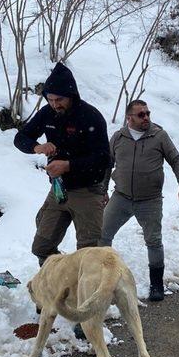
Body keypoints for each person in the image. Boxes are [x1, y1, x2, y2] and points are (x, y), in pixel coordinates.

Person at [14, 62, 110, 266]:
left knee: (89, 254)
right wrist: (36, 147)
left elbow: (103, 159)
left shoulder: (91, 116)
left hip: (88, 191)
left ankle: (88, 292)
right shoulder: (47, 113)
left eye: (59, 99)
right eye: (50, 99)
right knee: (41, 246)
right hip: (59, 190)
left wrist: (68, 165)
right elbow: (20, 138)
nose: (55, 104)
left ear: (72, 95)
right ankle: (59, 282)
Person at [100, 99, 179, 301]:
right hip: (121, 197)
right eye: (141, 114)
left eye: (148, 113)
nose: (146, 117)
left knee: (154, 241)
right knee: (102, 236)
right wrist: (102, 190)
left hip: (150, 200)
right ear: (129, 117)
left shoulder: (159, 136)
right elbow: (107, 164)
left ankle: (156, 285)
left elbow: (176, 160)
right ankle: (103, 280)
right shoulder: (118, 137)